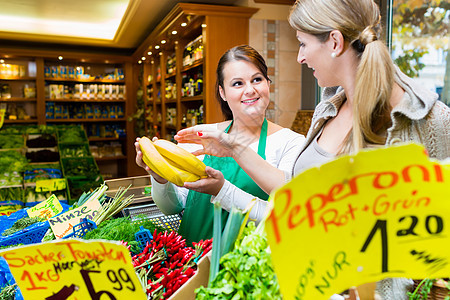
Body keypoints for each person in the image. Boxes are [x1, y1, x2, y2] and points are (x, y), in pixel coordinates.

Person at [174, 0, 450, 298]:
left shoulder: (426, 119)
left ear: (334, 42)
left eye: (303, 44)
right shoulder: (329, 108)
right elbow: (299, 199)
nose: (300, 58)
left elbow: (435, 242)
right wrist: (235, 148)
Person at [135, 45, 305, 244]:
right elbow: (172, 207)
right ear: (222, 93)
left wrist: (221, 189)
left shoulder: (291, 143)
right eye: (237, 83)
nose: (250, 90)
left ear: (268, 84)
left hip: (247, 266)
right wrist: (160, 178)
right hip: (190, 263)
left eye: (257, 80)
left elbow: (284, 216)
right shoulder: (203, 136)